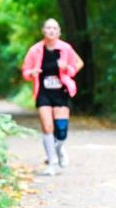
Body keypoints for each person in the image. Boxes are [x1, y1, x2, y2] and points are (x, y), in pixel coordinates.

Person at [22, 19, 84, 176]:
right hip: (43, 92)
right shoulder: (35, 50)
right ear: (43, 30)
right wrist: (31, 73)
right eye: (48, 27)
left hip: (60, 91)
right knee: (47, 127)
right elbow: (25, 71)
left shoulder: (66, 48)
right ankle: (51, 163)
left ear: (59, 32)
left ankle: (59, 149)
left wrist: (68, 69)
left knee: (61, 130)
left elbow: (78, 64)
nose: (51, 30)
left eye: (54, 28)